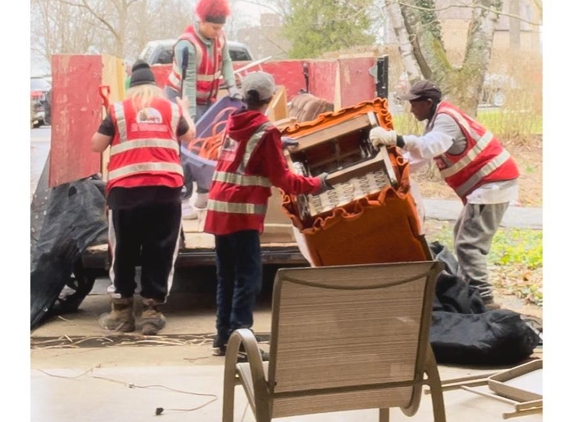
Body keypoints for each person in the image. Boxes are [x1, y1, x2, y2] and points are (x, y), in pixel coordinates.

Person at [203, 71, 331, 356]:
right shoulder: (267, 131)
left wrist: (278, 145)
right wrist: (317, 184)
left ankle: (223, 337)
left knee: (226, 276)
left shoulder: (234, 122)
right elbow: (284, 179)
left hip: (220, 210)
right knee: (248, 277)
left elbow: (246, 151)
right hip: (241, 213)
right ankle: (241, 341)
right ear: (270, 99)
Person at [369, 80, 519, 310]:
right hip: (490, 184)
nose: (411, 109)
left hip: (493, 183)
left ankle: (485, 301)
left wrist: (396, 139)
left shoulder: (446, 120)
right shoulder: (437, 120)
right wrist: (390, 173)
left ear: (428, 103)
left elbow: (430, 147)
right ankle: (472, 292)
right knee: (462, 235)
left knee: (469, 244)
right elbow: (418, 158)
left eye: (414, 104)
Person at [91, 60, 196, 335]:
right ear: (155, 87)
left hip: (125, 192)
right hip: (165, 191)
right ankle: (151, 312)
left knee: (123, 249)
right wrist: (185, 109)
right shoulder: (171, 109)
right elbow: (190, 137)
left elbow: (96, 145)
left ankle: (122, 313)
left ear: (131, 87)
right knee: (160, 249)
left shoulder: (118, 110)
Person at [165, 0, 241, 219]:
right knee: (186, 147)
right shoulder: (185, 44)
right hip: (181, 97)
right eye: (214, 28)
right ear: (202, 21)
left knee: (207, 144)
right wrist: (190, 116)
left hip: (208, 97)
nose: (218, 32)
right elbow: (188, 81)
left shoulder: (220, 37)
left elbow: (226, 62)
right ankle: (183, 198)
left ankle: (204, 192)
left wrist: (232, 88)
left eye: (221, 28)